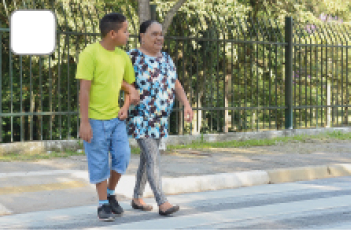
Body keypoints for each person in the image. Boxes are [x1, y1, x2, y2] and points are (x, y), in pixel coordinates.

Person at [125, 20, 193, 216]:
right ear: (142, 37)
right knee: (153, 156)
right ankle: (162, 202)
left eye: (161, 34)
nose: (159, 38)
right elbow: (116, 78)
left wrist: (186, 104)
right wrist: (129, 89)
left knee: (147, 159)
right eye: (154, 34)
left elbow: (175, 83)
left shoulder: (166, 58)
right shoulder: (132, 56)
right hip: (141, 117)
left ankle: (137, 197)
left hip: (160, 120)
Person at [76, 13, 139, 222]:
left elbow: (131, 87)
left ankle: (111, 193)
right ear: (113, 33)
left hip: (116, 119)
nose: (128, 35)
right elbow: (84, 90)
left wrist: (126, 106)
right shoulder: (90, 53)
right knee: (99, 162)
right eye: (125, 31)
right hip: (94, 119)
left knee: (123, 157)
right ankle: (103, 204)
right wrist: (84, 122)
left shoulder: (123, 57)